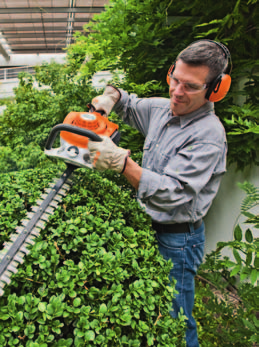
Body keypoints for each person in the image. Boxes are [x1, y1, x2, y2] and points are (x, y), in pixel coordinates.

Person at [88, 40, 231, 347]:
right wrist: (109, 97)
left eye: (190, 87)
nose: (177, 92)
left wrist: (121, 162)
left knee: (175, 319)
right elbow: (127, 102)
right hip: (148, 226)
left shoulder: (208, 135)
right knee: (149, 309)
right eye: (175, 80)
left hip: (178, 239)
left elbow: (173, 193)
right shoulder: (161, 109)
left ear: (214, 89)